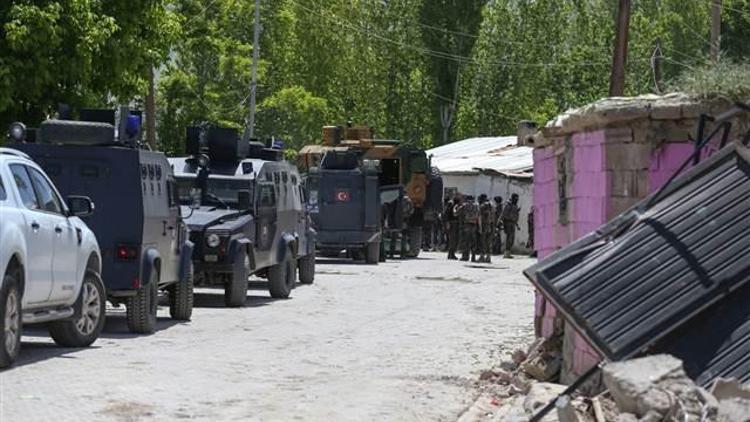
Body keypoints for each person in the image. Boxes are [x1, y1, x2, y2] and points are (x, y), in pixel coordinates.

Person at [458, 195, 479, 262]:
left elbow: (457, 213)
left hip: (466, 224)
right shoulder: (476, 206)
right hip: (474, 225)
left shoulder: (464, 205)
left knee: (466, 241)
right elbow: (478, 215)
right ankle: (473, 257)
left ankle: (465, 256)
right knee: (473, 241)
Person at [501, 194, 521, 258]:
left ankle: (508, 252)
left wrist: (517, 225)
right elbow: (503, 214)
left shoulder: (515, 205)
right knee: (509, 238)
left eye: (517, 199)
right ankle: (506, 253)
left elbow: (515, 216)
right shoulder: (508, 205)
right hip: (508, 223)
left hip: (512, 223)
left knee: (512, 239)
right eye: (516, 199)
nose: (517, 200)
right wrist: (501, 223)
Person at [478, 194, 494, 263]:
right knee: (488, 242)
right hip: (490, 225)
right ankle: (488, 257)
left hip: (484, 225)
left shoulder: (482, 206)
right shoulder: (492, 205)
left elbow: (480, 217)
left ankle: (482, 256)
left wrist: (480, 227)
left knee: (482, 242)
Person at [444, 195, 460, 260]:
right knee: (452, 239)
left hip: (453, 223)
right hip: (452, 223)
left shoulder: (453, 204)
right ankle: (451, 254)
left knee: (453, 239)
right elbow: (447, 214)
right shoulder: (452, 204)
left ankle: (451, 253)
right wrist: (447, 223)